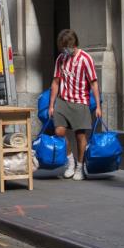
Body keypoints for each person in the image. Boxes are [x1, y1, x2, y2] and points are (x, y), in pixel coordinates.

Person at [48, 29, 102, 180]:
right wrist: (51, 105)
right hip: (63, 101)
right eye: (63, 47)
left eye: (67, 46)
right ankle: (70, 161)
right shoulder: (61, 59)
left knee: (80, 135)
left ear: (74, 44)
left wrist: (98, 106)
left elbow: (94, 83)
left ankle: (80, 166)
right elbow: (55, 82)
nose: (65, 50)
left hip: (80, 102)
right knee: (59, 131)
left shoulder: (86, 59)